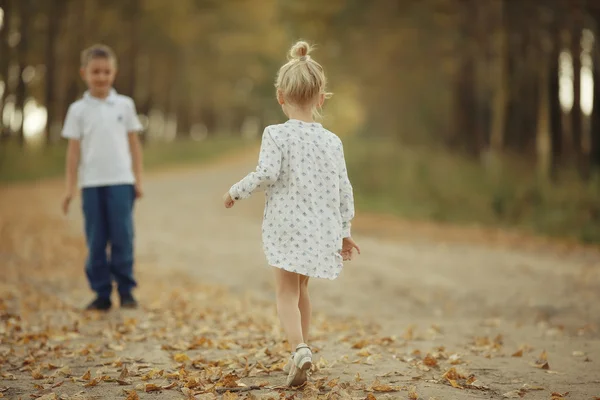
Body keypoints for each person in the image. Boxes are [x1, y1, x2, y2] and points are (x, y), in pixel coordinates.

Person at [223, 40, 360, 387]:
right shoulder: (333, 141)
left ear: (280, 96)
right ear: (321, 98)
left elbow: (267, 174)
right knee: (302, 291)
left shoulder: (276, 134)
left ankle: (299, 349)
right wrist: (345, 231)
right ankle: (303, 351)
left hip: (288, 227)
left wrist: (235, 191)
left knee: (285, 292)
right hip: (321, 228)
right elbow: (344, 188)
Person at [61, 44, 144, 311]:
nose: (101, 77)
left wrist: (137, 179)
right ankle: (101, 293)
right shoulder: (78, 110)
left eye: (106, 71)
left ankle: (127, 290)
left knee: (122, 237)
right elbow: (73, 153)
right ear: (84, 73)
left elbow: (134, 145)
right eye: (95, 71)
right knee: (96, 240)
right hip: (91, 184)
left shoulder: (125, 105)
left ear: (114, 73)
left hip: (121, 182)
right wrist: (69, 188)